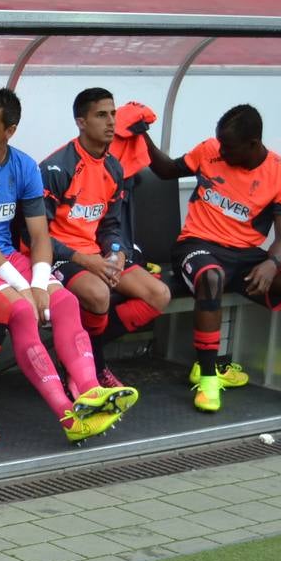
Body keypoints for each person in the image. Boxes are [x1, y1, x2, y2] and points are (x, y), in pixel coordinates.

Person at [0, 87, 136, 445]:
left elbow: (40, 235)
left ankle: (89, 393)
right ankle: (66, 414)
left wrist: (40, 281)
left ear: (9, 131)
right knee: (23, 310)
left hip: (7, 257)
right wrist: (24, 289)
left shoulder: (24, 165)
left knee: (67, 301)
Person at [140, 103, 281, 412]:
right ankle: (209, 379)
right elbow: (166, 170)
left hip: (244, 255)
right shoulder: (210, 150)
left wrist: (271, 264)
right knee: (211, 276)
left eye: (229, 147)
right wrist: (143, 135)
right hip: (196, 245)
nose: (222, 151)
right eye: (221, 144)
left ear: (253, 144)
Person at [39, 88, 170, 388]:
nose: (111, 122)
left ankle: (77, 349)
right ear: (81, 122)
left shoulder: (114, 167)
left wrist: (116, 253)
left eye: (113, 114)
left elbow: (111, 224)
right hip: (59, 256)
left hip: (95, 255)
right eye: (101, 115)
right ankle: (93, 366)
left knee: (158, 294)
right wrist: (87, 261)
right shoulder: (56, 168)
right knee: (99, 294)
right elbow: (35, 236)